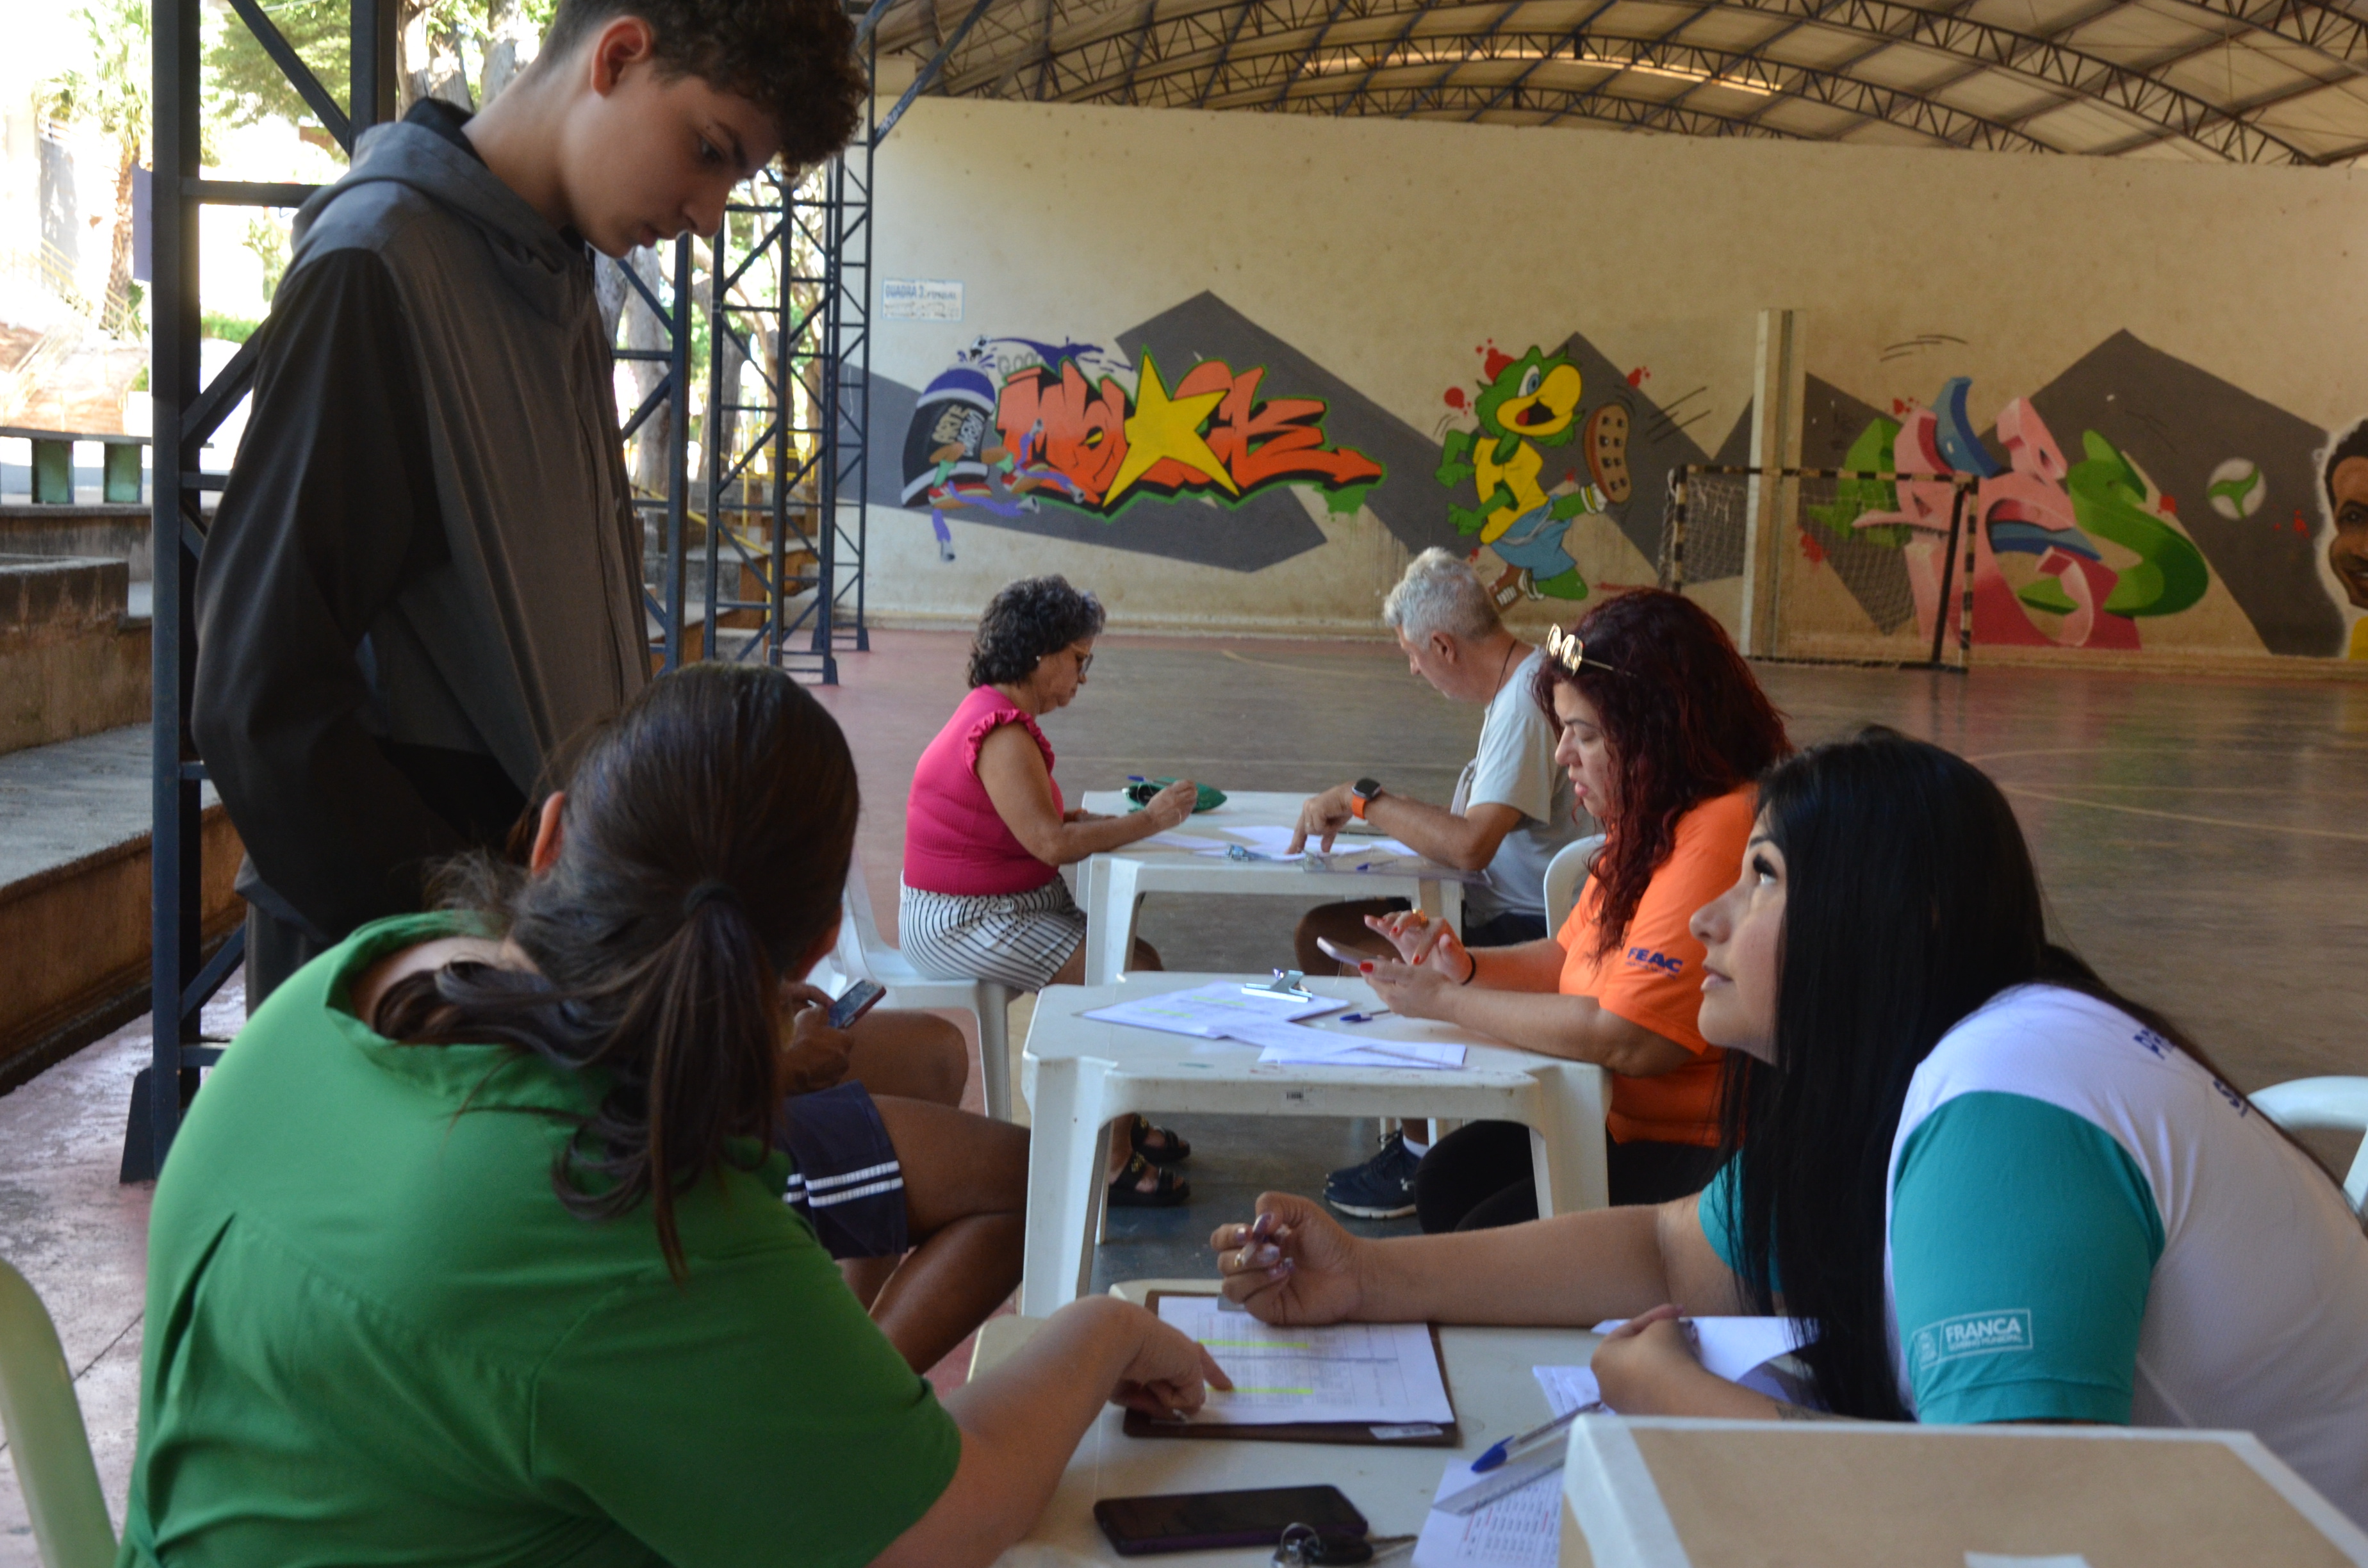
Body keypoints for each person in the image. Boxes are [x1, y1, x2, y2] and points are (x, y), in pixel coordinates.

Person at [120, 664, 1225, 1567]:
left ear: (551, 842)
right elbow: (945, 1529)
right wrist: (1109, 1329)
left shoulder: (340, 988)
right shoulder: (631, 1217)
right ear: (810, 954)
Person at [1207, 731, 2368, 1530]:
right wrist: (1368, 1279)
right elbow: (1671, 1250)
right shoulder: (1927, 1060)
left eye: (1762, 878)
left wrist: (1680, 1403)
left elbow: (2010, 1516)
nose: (1710, 919)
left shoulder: (2005, 1104)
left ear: (1897, 921)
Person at [190, 0, 866, 1006]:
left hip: (540, 959)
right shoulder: (375, 268)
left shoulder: (555, 279)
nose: (708, 212)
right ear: (619, 55)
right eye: (709, 150)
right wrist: (481, 947)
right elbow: (260, 705)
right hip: (410, 984)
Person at [1346, 589, 1790, 1223]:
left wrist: (1444, 1002)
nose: (1563, 756)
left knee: (1480, 1221)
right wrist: (1463, 967)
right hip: (1621, 1113)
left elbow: (1630, 1038)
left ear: (1655, 735)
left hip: (1708, 1147)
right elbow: (1568, 955)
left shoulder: (1719, 830)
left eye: (1584, 735)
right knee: (1449, 1177)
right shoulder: (1654, 819)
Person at [1300, 549, 1588, 1220]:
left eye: (1412, 654)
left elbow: (1468, 844)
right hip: (1502, 902)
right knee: (1322, 933)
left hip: (1531, 923)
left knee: (1355, 950)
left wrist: (1364, 799)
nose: (1414, 669)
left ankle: (1421, 1148)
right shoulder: (1521, 683)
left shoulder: (1524, 703)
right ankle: (1417, 1129)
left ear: (1442, 646)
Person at [903, 573, 1199, 1205]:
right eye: (1078, 660)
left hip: (987, 907)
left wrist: (1082, 821)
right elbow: (1049, 845)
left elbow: (1019, 820)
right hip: (963, 922)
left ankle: (1118, 1120)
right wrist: (1150, 821)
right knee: (1130, 973)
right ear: (1040, 655)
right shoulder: (1002, 733)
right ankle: (1110, 1160)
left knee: (1136, 962)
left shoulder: (994, 713)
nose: (1082, 678)